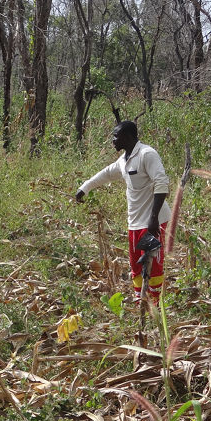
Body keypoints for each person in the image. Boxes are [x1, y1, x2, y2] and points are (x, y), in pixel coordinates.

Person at [76, 120, 171, 301]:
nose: (113, 140)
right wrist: (84, 188)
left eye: (116, 136)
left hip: (152, 221)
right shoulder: (123, 160)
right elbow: (105, 174)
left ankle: (155, 306)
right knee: (136, 265)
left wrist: (154, 218)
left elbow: (161, 183)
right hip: (134, 223)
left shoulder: (147, 154)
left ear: (128, 137)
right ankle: (140, 303)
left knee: (153, 265)